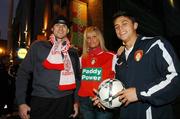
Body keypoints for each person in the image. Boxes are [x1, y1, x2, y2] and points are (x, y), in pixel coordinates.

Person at [112, 11, 180, 119]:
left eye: (124, 23)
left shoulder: (155, 45)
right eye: (117, 27)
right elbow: (120, 90)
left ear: (135, 25)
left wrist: (139, 93)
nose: (120, 29)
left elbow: (175, 77)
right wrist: (107, 100)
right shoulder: (119, 59)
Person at [15, 15, 80, 119]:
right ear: (52, 29)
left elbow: (77, 79)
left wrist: (76, 101)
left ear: (68, 30)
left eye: (64, 26)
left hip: (66, 102)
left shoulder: (73, 52)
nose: (60, 28)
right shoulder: (38, 46)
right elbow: (23, 73)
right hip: (41, 101)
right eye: (57, 25)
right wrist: (21, 102)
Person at [78, 26, 117, 119]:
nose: (91, 40)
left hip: (104, 101)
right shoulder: (81, 59)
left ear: (99, 38)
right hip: (84, 102)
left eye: (94, 36)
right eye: (88, 37)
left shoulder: (112, 57)